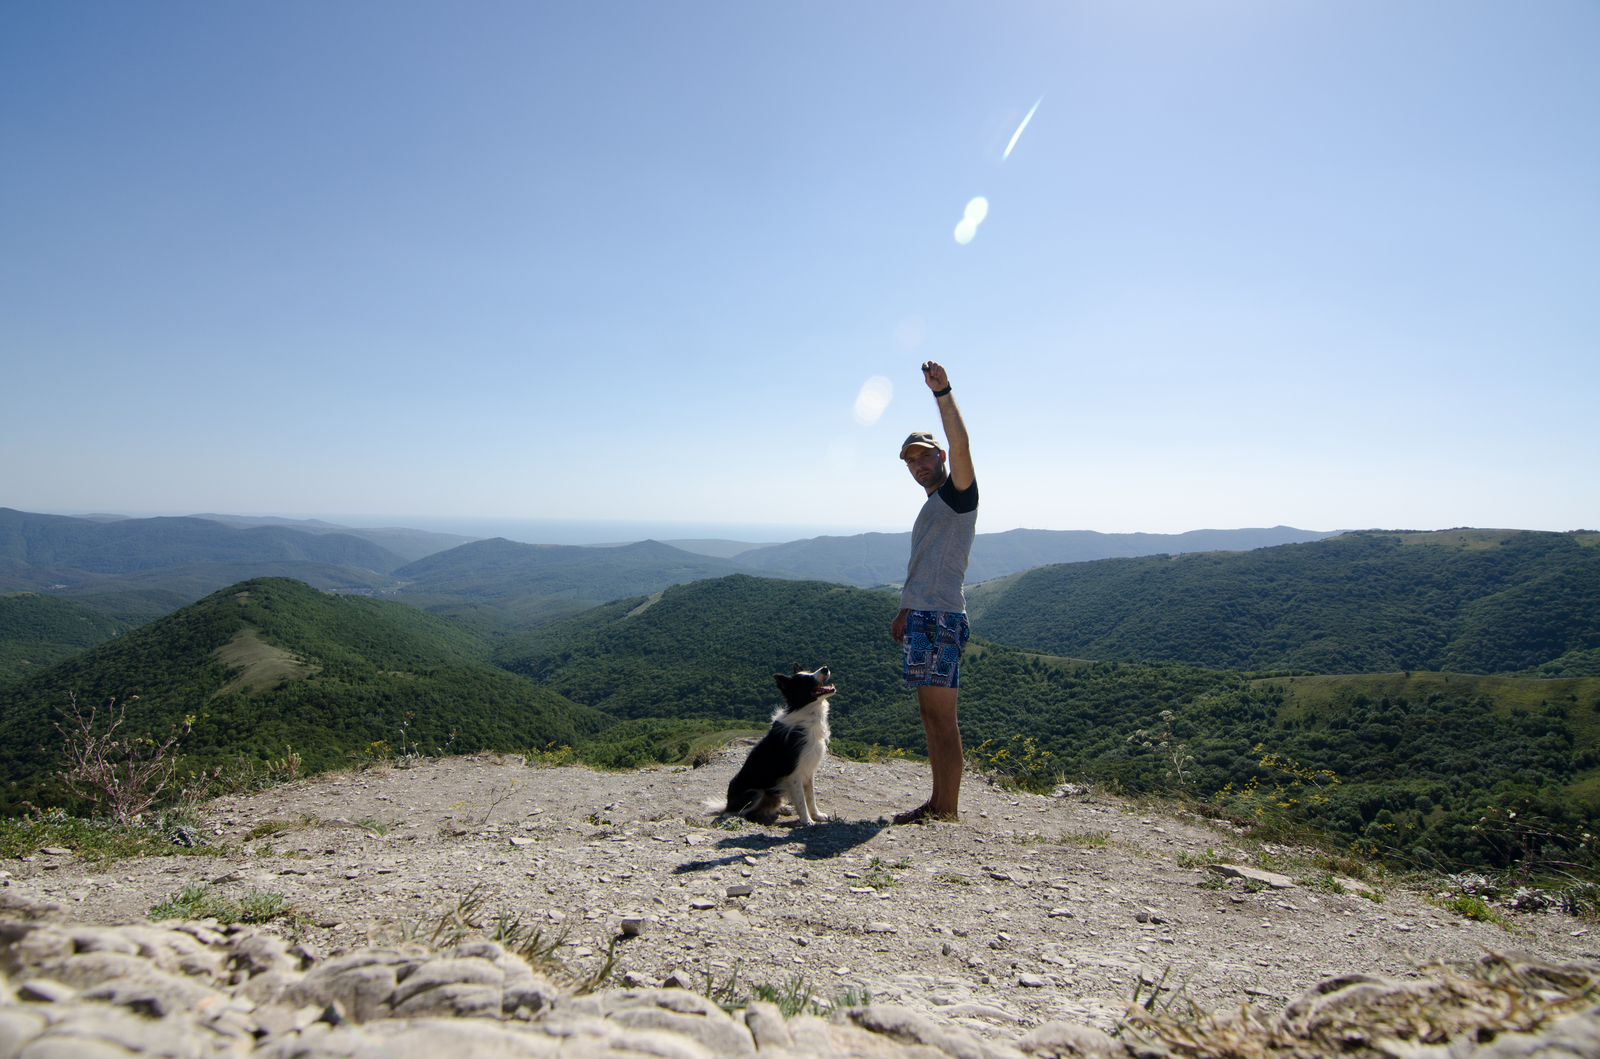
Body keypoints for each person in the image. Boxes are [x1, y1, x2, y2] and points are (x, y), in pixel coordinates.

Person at [890, 361, 977, 825]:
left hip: (941, 618)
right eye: (910, 460)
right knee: (930, 716)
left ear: (941, 456)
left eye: (924, 456)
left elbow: (963, 445)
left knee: (942, 719)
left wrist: (943, 393)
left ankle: (947, 808)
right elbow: (926, 564)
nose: (918, 465)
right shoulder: (934, 505)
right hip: (923, 616)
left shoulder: (959, 492)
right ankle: (939, 802)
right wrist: (905, 608)